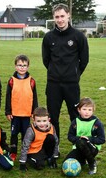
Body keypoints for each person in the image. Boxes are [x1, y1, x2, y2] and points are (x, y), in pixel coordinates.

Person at [41, 3, 89, 150]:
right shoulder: (48, 37)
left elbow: (84, 60)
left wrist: (74, 74)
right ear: (53, 18)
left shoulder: (78, 36)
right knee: (53, 117)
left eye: (62, 16)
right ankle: (55, 147)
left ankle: (78, 147)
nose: (60, 19)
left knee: (75, 117)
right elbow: (46, 60)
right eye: (57, 17)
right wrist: (56, 73)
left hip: (71, 84)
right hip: (54, 84)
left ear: (68, 15)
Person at [5, 54, 38, 161]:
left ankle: (26, 153)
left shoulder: (32, 81)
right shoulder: (11, 80)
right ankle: (13, 153)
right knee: (14, 134)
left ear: (28, 67)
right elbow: (8, 97)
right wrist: (8, 111)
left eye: (24, 65)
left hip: (26, 114)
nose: (22, 67)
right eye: (19, 65)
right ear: (15, 66)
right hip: (15, 114)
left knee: (26, 135)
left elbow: (35, 98)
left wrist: (34, 112)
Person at [64, 97, 106, 175]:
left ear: (93, 111)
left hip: (92, 148)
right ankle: (84, 160)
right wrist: (78, 138)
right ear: (79, 110)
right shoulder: (75, 122)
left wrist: (89, 139)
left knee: (82, 142)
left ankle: (92, 163)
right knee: (66, 162)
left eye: (89, 110)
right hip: (78, 146)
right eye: (84, 109)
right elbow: (70, 136)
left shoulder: (97, 123)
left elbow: (102, 139)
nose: (87, 112)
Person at [19, 107, 59, 171]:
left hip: (43, 149)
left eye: (44, 121)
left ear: (49, 119)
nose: (42, 124)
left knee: (51, 138)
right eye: (38, 121)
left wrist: (54, 157)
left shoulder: (52, 127)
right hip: (34, 152)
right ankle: (30, 159)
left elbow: (56, 142)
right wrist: (22, 162)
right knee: (40, 166)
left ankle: (49, 158)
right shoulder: (31, 130)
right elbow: (25, 145)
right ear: (33, 120)